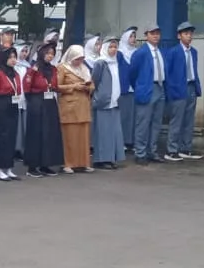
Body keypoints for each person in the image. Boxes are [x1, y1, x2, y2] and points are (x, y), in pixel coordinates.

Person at [163, 21, 204, 161]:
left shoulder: (193, 52)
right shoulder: (173, 52)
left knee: (189, 120)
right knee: (177, 120)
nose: (189, 36)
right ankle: (172, 149)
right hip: (178, 88)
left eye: (190, 34)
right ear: (179, 36)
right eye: (186, 34)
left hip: (191, 87)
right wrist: (171, 90)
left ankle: (186, 148)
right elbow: (167, 73)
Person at [22, 43, 63, 177]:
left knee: (49, 133)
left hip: (50, 101)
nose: (50, 56)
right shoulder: (34, 68)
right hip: (37, 101)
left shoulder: (53, 69)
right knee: (36, 133)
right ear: (42, 54)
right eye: (47, 53)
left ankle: (46, 164)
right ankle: (32, 166)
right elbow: (27, 86)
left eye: (52, 54)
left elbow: (56, 85)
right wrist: (33, 100)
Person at [128, 26, 168, 164]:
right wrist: (140, 87)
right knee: (143, 123)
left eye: (158, 33)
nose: (156, 36)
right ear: (146, 36)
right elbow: (132, 73)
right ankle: (140, 153)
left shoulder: (160, 51)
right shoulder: (141, 53)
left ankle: (152, 151)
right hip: (147, 88)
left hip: (160, 87)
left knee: (156, 123)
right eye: (152, 33)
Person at [56, 44, 95, 173]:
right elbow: (57, 86)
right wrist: (73, 86)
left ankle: (84, 162)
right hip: (69, 106)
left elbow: (92, 85)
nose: (80, 62)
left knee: (83, 136)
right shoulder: (62, 68)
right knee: (70, 136)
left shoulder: (84, 69)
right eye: (77, 59)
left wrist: (88, 87)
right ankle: (68, 163)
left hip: (83, 104)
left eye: (82, 59)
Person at [0, 45, 23, 181]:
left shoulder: (16, 74)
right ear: (4, 59)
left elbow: (18, 90)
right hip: (1, 106)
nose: (13, 60)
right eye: (10, 57)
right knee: (1, 138)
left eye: (15, 57)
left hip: (14, 105)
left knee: (11, 138)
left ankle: (8, 167)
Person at [91, 37, 125, 169]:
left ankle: (111, 157)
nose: (113, 50)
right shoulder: (100, 63)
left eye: (115, 47)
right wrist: (98, 97)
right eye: (110, 47)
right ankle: (101, 159)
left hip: (114, 101)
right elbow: (95, 81)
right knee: (103, 131)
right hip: (103, 102)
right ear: (105, 48)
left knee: (113, 131)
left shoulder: (115, 62)